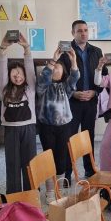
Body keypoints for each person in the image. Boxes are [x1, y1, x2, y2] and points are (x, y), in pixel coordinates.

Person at [59, 20, 105, 182]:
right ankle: (66, 174)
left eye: (86, 30)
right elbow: (59, 77)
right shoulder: (65, 52)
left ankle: (90, 171)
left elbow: (103, 76)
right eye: (79, 31)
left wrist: (95, 91)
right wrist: (73, 93)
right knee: (69, 138)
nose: (83, 33)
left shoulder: (96, 51)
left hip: (90, 102)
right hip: (71, 103)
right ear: (73, 33)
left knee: (88, 137)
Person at [36, 45, 79, 201]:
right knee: (49, 158)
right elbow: (43, 78)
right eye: (53, 68)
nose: (55, 70)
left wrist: (73, 60)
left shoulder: (65, 87)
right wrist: (54, 60)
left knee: (61, 158)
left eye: (58, 68)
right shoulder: (43, 87)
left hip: (64, 127)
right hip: (47, 127)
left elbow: (74, 77)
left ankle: (58, 190)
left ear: (63, 72)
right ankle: (49, 191)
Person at [0, 32, 37, 193]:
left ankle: (30, 194)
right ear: (9, 76)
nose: (17, 76)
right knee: (12, 164)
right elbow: (2, 68)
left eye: (20, 73)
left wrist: (26, 49)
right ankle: (13, 196)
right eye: (13, 74)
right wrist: (3, 49)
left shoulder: (30, 88)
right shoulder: (4, 88)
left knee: (30, 164)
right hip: (11, 130)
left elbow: (29, 67)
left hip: (28, 128)